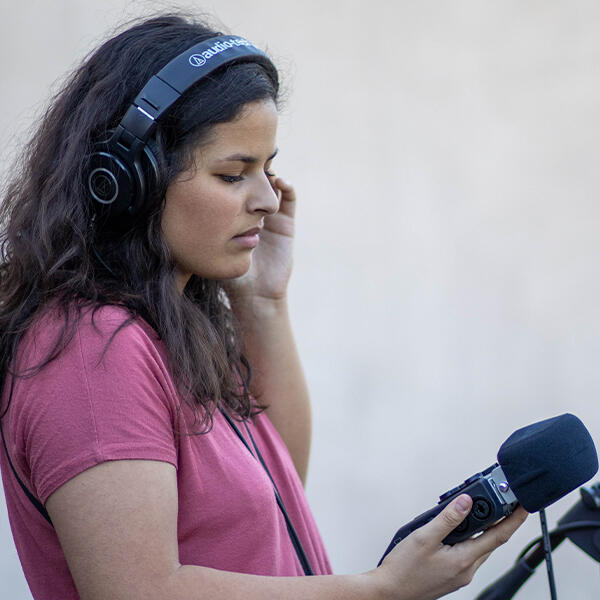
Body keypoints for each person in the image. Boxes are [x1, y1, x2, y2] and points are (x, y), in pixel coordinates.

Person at [0, 12, 527, 600]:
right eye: (233, 174)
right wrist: (381, 591)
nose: (267, 199)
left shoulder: (168, 329)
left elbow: (279, 493)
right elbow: (138, 589)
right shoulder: (92, 352)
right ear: (127, 181)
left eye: (268, 169)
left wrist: (265, 302)